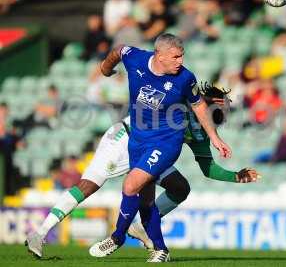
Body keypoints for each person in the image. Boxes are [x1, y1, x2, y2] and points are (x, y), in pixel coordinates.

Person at [25, 88, 258, 259]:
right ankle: (40, 233)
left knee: (180, 187)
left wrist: (236, 176)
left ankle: (136, 228)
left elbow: (208, 169)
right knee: (90, 185)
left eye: (228, 107)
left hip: (153, 150)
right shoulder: (183, 103)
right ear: (210, 103)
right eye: (224, 104)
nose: (227, 110)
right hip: (126, 138)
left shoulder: (202, 134)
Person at [89, 33, 231, 262]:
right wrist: (106, 69)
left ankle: (117, 237)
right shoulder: (135, 58)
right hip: (138, 140)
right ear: (159, 55)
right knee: (146, 199)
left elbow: (199, 106)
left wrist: (214, 137)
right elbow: (119, 49)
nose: (180, 61)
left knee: (130, 184)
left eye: (182, 56)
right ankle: (161, 249)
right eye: (175, 57)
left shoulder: (185, 78)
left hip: (166, 142)